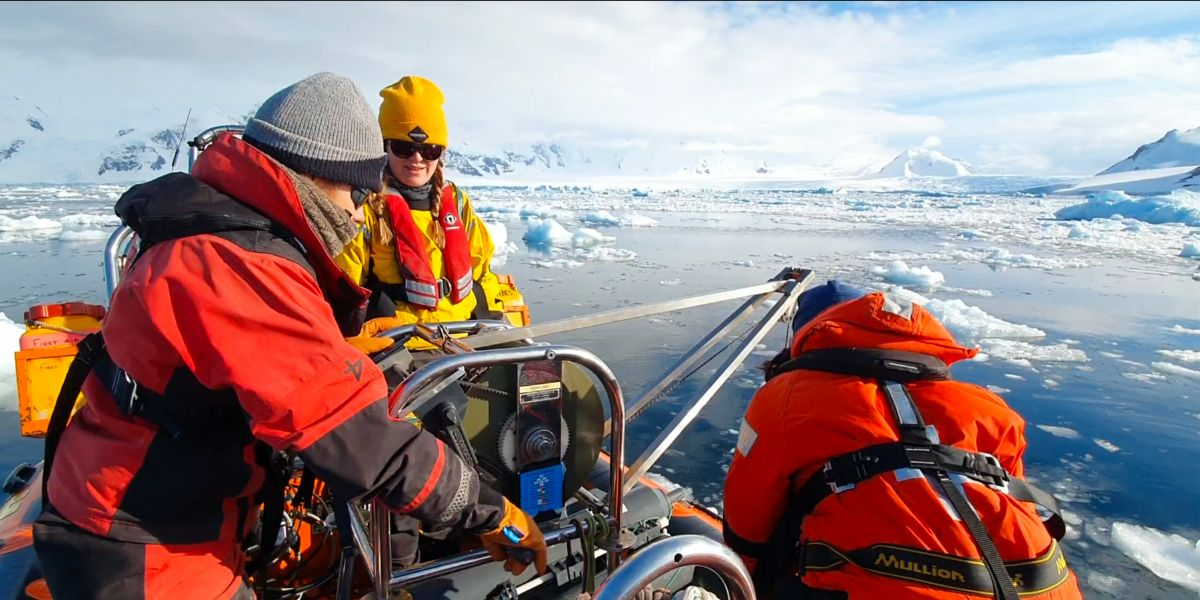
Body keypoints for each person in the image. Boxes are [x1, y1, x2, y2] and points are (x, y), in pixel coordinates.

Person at [33, 72, 546, 600]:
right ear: (313, 173)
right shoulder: (235, 266)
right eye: (355, 191)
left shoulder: (222, 235)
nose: (355, 211)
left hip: (162, 514)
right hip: (149, 543)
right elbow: (355, 436)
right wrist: (490, 512)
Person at [722, 281, 1082, 599]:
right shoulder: (986, 406)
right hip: (1045, 587)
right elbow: (1011, 499)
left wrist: (742, 582)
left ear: (809, 334)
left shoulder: (786, 397)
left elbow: (748, 523)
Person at [341, 75, 501, 325]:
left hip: (465, 336)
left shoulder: (458, 203)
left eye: (429, 150)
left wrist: (498, 321)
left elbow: (483, 274)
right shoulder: (363, 208)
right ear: (384, 146)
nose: (417, 158)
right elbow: (345, 291)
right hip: (398, 344)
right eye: (403, 147)